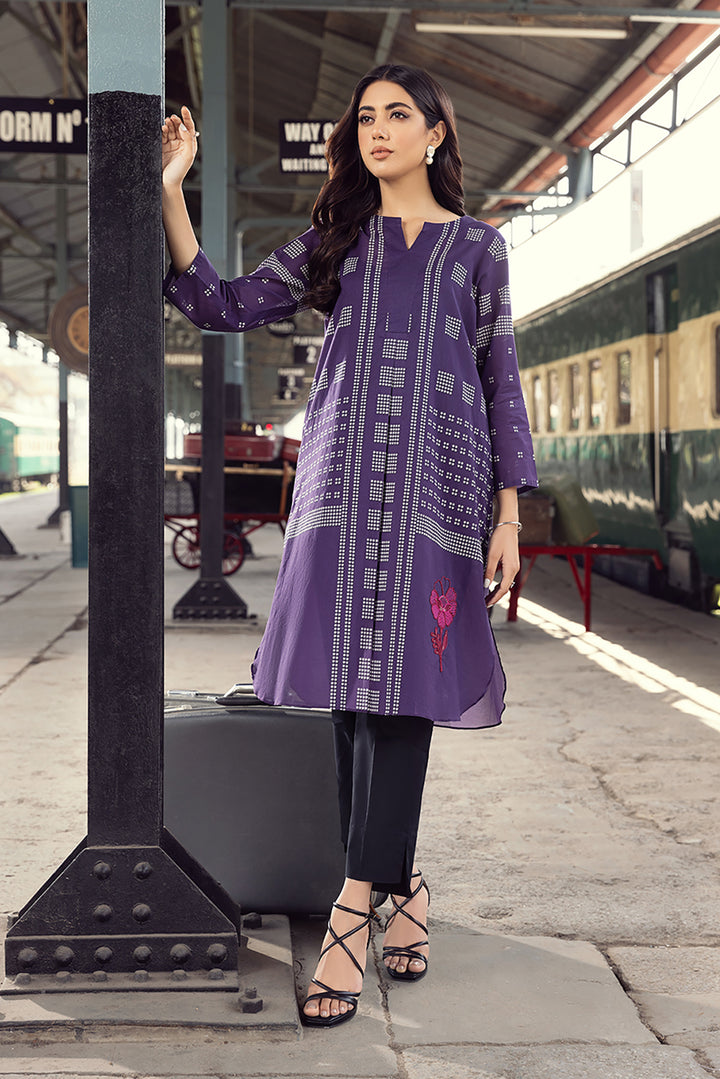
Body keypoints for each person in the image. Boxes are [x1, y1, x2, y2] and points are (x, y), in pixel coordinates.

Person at [161, 62, 537, 1028]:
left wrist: (508, 515)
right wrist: (171, 192)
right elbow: (222, 304)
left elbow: (501, 378)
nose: (378, 130)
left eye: (398, 115)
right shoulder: (339, 241)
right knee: (352, 695)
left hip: (438, 493)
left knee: (403, 693)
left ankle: (352, 905)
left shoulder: (479, 250)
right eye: (366, 116)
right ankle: (398, 886)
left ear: (436, 135)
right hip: (340, 486)